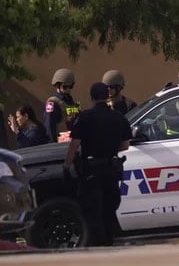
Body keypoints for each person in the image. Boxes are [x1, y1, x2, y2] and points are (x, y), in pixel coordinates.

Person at [63, 82, 131, 246]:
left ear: (92, 97)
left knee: (92, 209)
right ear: (107, 96)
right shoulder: (118, 117)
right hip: (111, 168)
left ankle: (97, 245)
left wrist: (66, 167)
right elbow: (125, 145)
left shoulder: (85, 117)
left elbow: (74, 144)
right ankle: (109, 241)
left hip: (92, 170)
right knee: (109, 207)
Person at [44, 68, 81, 142]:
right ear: (57, 85)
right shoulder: (51, 103)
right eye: (65, 87)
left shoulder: (73, 103)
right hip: (60, 145)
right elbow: (49, 126)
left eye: (71, 86)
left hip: (74, 143)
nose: (68, 89)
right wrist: (52, 145)